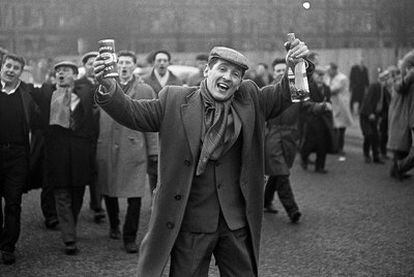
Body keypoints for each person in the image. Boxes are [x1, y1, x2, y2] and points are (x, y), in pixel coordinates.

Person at [94, 38, 310, 276]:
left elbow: (284, 93)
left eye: (235, 74)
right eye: (223, 69)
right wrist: (109, 87)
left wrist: (296, 65)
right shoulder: (174, 100)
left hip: (236, 223)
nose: (228, 77)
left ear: (240, 82)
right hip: (191, 224)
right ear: (207, 70)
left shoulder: (251, 99)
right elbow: (132, 112)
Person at [29, 61, 99, 255]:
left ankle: (70, 224)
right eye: (58, 71)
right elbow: (25, 90)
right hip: (56, 152)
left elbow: (102, 95)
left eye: (66, 71)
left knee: (77, 193)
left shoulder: (86, 91)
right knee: (61, 193)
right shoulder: (46, 92)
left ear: (75, 75)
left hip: (80, 152)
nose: (61, 74)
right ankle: (69, 237)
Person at [96, 50, 158, 253]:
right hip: (108, 146)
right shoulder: (105, 86)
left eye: (128, 63)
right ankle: (114, 223)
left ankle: (129, 237)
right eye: (120, 62)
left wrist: (153, 151)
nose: (123, 66)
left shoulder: (145, 90)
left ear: (134, 66)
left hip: (134, 149)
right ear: (116, 66)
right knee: (109, 189)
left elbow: (151, 122)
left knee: (135, 195)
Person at [0, 53, 39, 264]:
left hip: (17, 156)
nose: (11, 70)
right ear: (2, 66)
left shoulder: (27, 94)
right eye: (8, 65)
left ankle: (8, 247)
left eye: (16, 67)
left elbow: (38, 118)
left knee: (13, 203)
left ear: (20, 72)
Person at [143, 50, 183, 194]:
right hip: (151, 128)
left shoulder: (177, 81)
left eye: (164, 60)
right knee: (153, 170)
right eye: (159, 60)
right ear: (154, 62)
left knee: (170, 169)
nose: (161, 63)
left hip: (171, 130)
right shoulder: (145, 81)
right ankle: (154, 201)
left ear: (168, 63)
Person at [77, 51, 106, 223]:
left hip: (102, 135)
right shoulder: (77, 84)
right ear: (85, 66)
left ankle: (97, 205)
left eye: (96, 63)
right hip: (83, 135)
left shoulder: (107, 84)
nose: (93, 66)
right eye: (89, 63)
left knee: (99, 170)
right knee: (82, 170)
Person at [300, 66, 335, 173]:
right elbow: (305, 104)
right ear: (314, 75)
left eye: (322, 75)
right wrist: (322, 105)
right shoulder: (308, 87)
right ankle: (304, 158)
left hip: (324, 120)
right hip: (311, 119)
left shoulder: (327, 88)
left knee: (323, 143)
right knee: (310, 143)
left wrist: (328, 105)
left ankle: (320, 166)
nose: (320, 77)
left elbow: (329, 101)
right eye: (318, 75)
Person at [388, 51, 414, 180]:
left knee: (403, 147)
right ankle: (397, 170)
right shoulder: (401, 80)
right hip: (400, 116)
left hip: (404, 116)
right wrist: (410, 75)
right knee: (399, 147)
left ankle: (397, 170)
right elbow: (399, 87)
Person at [359, 70, 390, 164]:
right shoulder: (374, 86)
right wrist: (370, 113)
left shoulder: (384, 90)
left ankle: (376, 156)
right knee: (368, 134)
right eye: (385, 79)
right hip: (366, 115)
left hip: (375, 116)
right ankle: (366, 155)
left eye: (387, 79)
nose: (387, 81)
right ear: (381, 79)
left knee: (376, 136)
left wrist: (382, 116)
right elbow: (367, 100)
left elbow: (385, 104)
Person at [327, 62, 354, 161]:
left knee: (341, 129)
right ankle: (334, 147)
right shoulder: (331, 77)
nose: (328, 72)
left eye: (329, 70)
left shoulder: (342, 78)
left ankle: (339, 148)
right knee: (334, 128)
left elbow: (332, 89)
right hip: (334, 105)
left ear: (334, 69)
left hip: (341, 106)